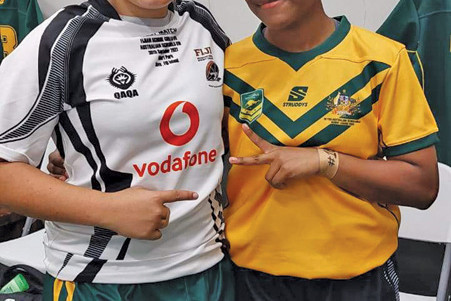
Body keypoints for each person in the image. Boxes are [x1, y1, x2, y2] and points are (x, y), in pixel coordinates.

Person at [0, 0, 234, 300]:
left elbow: (229, 122)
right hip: (101, 279)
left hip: (207, 266)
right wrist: (107, 209)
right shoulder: (62, 39)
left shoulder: (201, 23)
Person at [222, 0, 439, 300]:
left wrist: (325, 162)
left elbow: (423, 186)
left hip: (359, 278)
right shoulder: (226, 67)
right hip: (251, 279)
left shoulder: (382, 60)